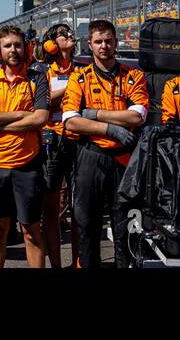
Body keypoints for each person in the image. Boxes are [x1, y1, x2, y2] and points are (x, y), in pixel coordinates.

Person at [61, 19, 148, 268]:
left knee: (126, 226)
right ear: (89, 45)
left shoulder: (134, 76)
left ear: (116, 43)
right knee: (87, 224)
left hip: (123, 157)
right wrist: (110, 128)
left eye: (108, 41)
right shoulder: (80, 78)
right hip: (91, 155)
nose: (104, 46)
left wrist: (92, 114)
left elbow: (136, 116)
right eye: (98, 41)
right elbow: (71, 122)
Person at [0, 26, 48, 268]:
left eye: (17, 45)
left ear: (26, 47)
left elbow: (39, 119)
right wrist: (19, 115)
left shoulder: (37, 78)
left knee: (30, 231)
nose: (13, 50)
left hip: (27, 166)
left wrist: (0, 123)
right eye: (8, 46)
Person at [38, 23, 80, 268]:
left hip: (75, 139)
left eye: (70, 32)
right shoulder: (43, 71)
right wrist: (72, 88)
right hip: (50, 141)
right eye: (64, 34)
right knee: (50, 209)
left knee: (79, 209)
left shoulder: (81, 69)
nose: (70, 36)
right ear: (51, 43)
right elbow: (41, 101)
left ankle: (77, 262)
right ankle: (55, 265)